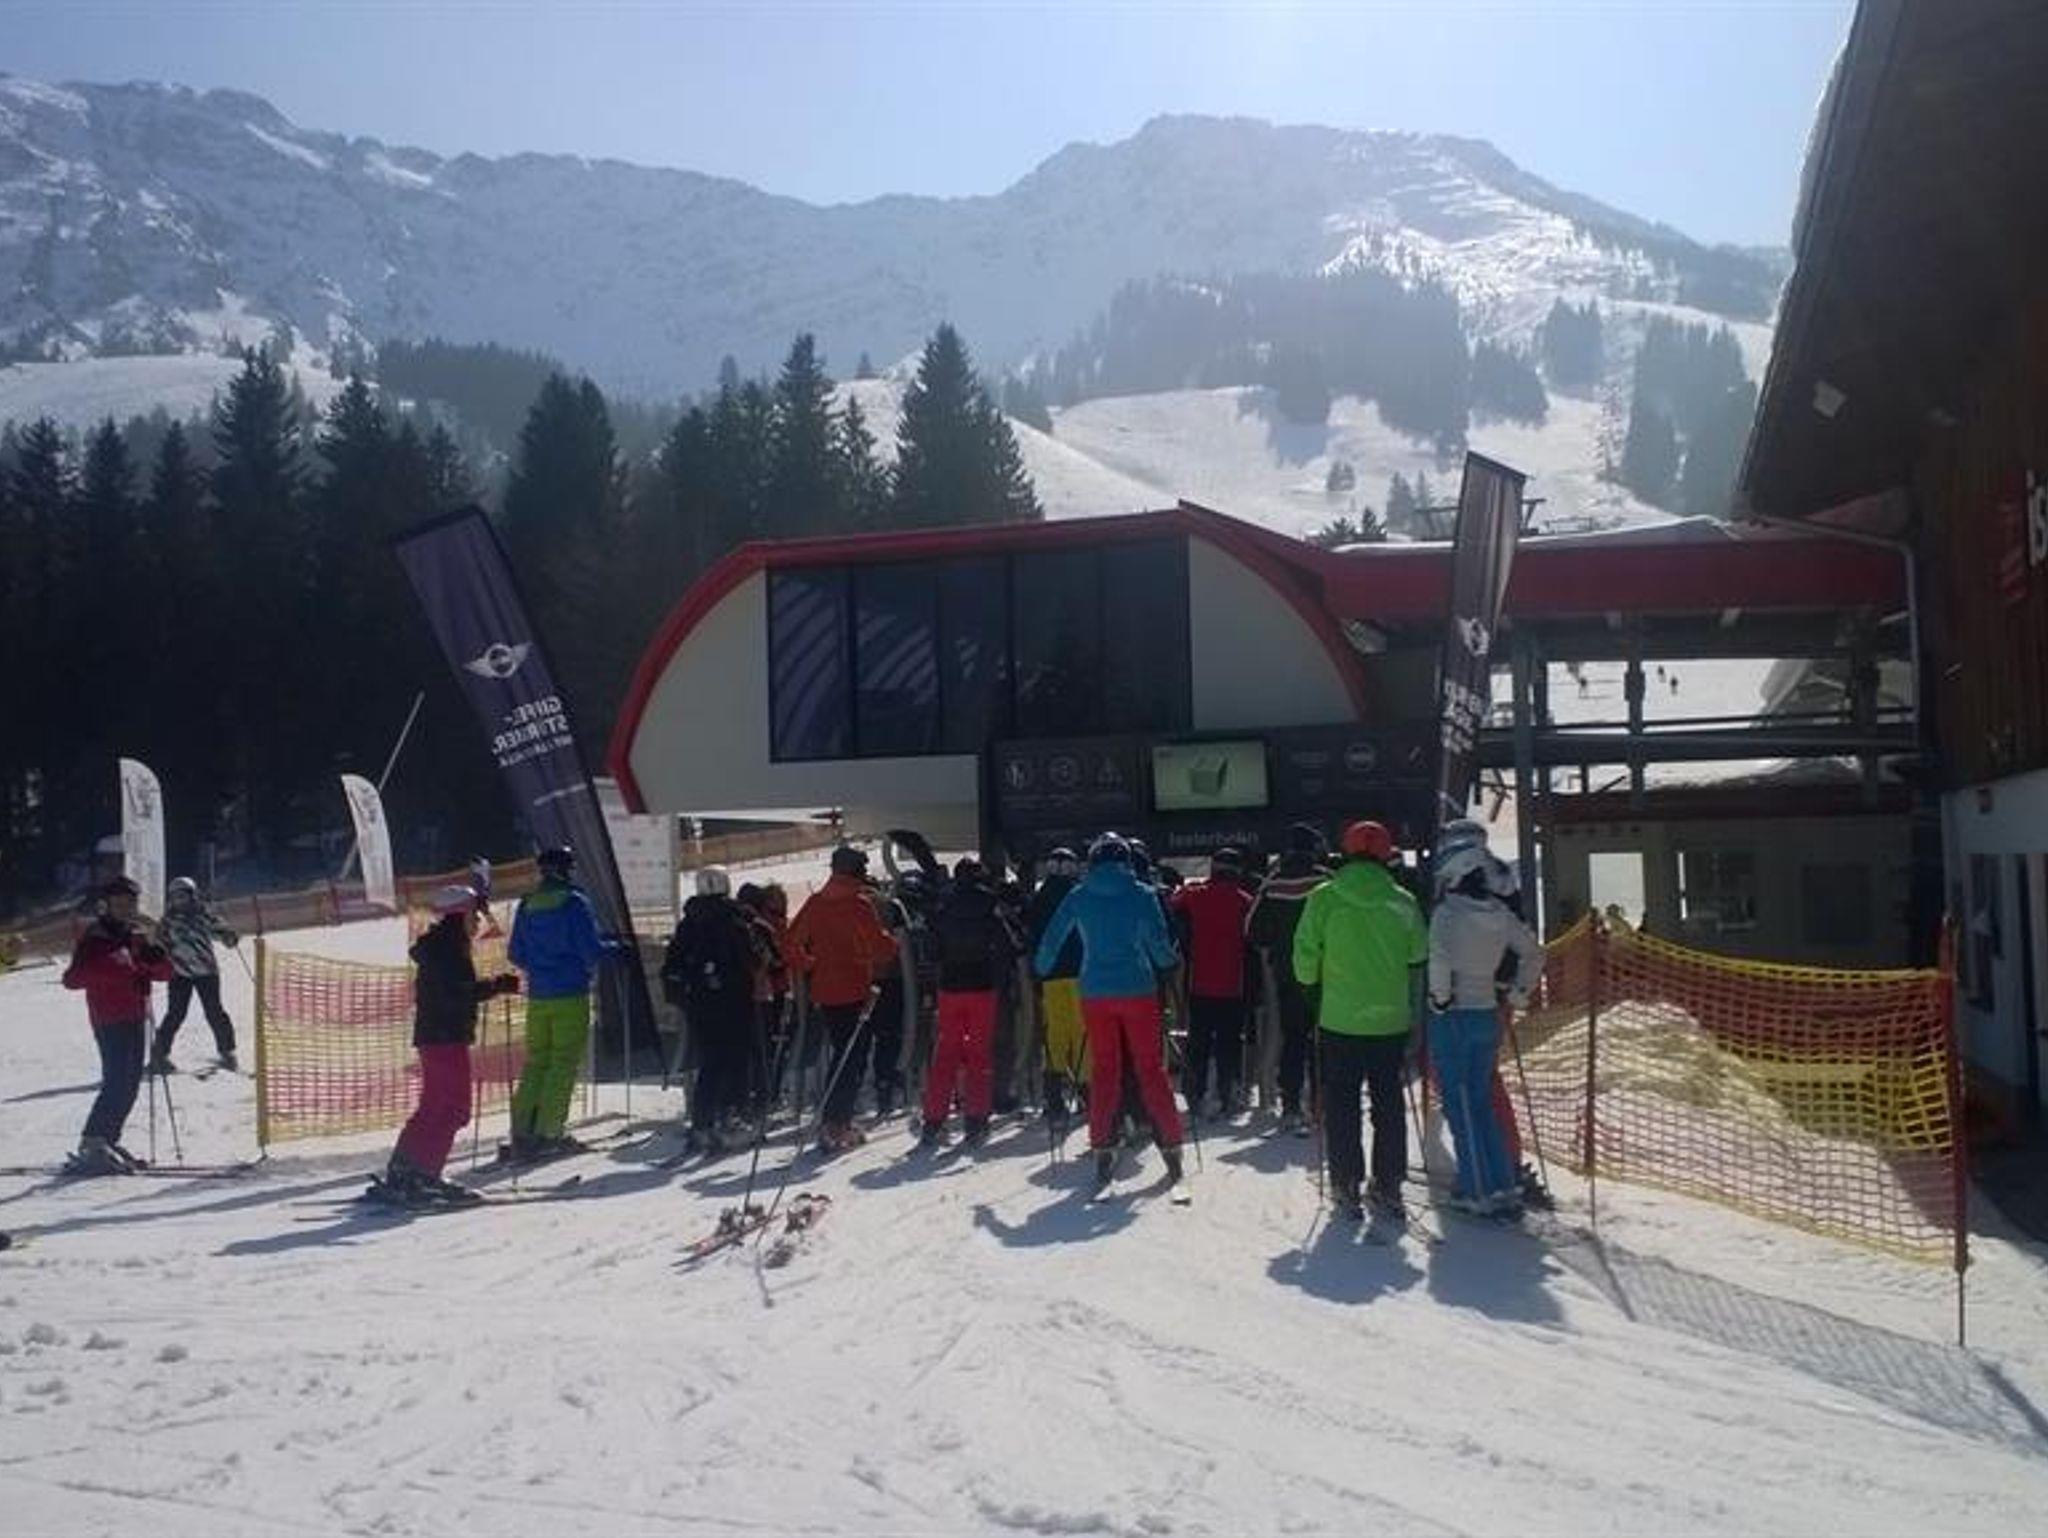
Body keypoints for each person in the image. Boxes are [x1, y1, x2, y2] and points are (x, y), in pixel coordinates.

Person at [1032, 833, 1186, 1195]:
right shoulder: (1143, 894)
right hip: (1138, 989)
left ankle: (1102, 1142)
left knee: (1105, 1069)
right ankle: (1170, 1142)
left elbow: (1053, 937)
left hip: (1095, 992)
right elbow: (1158, 945)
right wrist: (1169, 962)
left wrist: (1041, 967)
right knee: (1150, 1068)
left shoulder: (1079, 895)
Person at [1293, 820, 1428, 1225]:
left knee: (1341, 1103)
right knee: (1388, 1103)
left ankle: (1346, 1182)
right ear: (1386, 854)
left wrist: (1311, 990)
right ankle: (1388, 1183)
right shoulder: (1403, 901)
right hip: (1389, 1021)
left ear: (1345, 851)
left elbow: (1304, 956)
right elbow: (1418, 956)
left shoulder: (1324, 897)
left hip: (1339, 1019)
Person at [379, 885, 520, 1204]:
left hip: (434, 1036)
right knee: (453, 1108)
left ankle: (405, 1167)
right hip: (446, 1037)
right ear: (461, 914)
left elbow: (455, 989)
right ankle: (425, 1174)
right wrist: (497, 985)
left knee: (434, 1105)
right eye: (474, 914)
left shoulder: (441, 945)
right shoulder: (449, 949)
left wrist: (493, 986)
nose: (478, 921)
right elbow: (459, 992)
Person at [1428, 846, 1545, 1219]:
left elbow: (1439, 957)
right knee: (1480, 1102)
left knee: (1459, 1103)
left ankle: (1475, 1188)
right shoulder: (1499, 912)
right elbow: (1534, 952)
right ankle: (1503, 1183)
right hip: (1487, 1012)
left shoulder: (1447, 913)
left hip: (1454, 1015)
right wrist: (1519, 991)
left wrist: (1440, 997)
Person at [506, 845, 621, 1161]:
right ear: (566, 871)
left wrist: (541, 966)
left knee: (537, 1062)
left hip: (538, 997)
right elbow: (590, 950)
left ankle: (522, 1131)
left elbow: (515, 953)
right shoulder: (573, 903)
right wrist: (617, 949)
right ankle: (550, 1133)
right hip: (570, 994)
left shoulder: (527, 903)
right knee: (563, 1063)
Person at [785, 846, 898, 1152]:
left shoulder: (816, 903)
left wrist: (810, 964)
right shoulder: (859, 904)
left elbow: (790, 943)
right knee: (851, 1057)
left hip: (825, 991)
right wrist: (892, 944)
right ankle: (836, 1123)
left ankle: (835, 1119)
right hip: (856, 989)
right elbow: (881, 947)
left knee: (841, 1052)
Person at [61, 876, 175, 1175]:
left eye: (130, 903)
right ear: (107, 905)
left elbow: (163, 974)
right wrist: (122, 969)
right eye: (119, 903)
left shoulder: (136, 934)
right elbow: (72, 979)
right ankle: (93, 1140)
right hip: (109, 1018)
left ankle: (108, 1138)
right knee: (116, 1081)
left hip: (136, 1015)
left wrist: (156, 957)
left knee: (131, 1083)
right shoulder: (95, 937)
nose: (125, 909)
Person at [919, 858, 1021, 1149]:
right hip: (982, 986)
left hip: (950, 987)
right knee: (979, 1055)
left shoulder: (943, 906)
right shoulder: (989, 904)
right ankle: (976, 1119)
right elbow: (1009, 944)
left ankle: (933, 1120)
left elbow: (932, 950)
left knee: (945, 1054)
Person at [662, 867, 763, 1157]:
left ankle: (702, 1122)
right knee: (737, 1058)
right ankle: (733, 1115)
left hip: (699, 1002)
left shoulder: (690, 921)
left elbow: (674, 961)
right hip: (733, 998)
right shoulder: (734, 917)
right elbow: (751, 956)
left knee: (711, 1061)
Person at [1248, 824, 1330, 1134]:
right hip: (1325, 973)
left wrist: (1276, 946)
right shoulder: (1327, 880)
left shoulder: (1273, 884)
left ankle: (1291, 1104)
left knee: (1293, 1038)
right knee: (1322, 1038)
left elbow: (1253, 930)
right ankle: (1321, 1102)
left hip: (1287, 972)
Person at [1170, 849, 1256, 1119]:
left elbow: (1173, 902)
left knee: (1199, 1042)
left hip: (1199, 983)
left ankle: (1194, 1093)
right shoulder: (1244, 901)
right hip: (1233, 985)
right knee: (1229, 1043)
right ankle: (1227, 1092)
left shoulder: (1195, 895)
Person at [149, 876, 240, 1074]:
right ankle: (159, 1054)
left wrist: (228, 936)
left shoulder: (203, 913)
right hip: (180, 973)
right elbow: (158, 942)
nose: (179, 901)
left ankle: (227, 1051)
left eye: (183, 896)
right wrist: (155, 952)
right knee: (175, 1013)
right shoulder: (168, 920)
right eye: (175, 897)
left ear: (192, 895)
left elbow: (220, 929)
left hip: (206, 971)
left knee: (214, 1011)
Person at [1025, 848, 1087, 1128]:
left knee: (1055, 1035)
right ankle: (1087, 1092)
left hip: (1050, 976)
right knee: (1081, 1033)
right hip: (1080, 973)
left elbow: (1032, 936)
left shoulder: (1039, 899)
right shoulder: (1079, 895)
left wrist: (1036, 972)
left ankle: (1054, 1097)